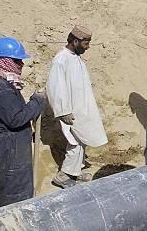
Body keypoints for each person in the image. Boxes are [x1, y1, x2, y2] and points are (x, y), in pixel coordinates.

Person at [46, 26, 108, 189]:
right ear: (75, 41)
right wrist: (63, 110)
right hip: (70, 111)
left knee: (81, 140)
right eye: (86, 43)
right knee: (75, 141)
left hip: (81, 109)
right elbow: (55, 87)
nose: (88, 47)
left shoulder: (74, 57)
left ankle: (75, 170)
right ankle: (64, 176)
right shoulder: (61, 59)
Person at [0, 37, 45, 206]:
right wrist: (37, 101)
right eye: (17, 61)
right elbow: (16, 119)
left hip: (7, 149)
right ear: (3, 61)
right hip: (11, 155)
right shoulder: (1, 88)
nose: (21, 65)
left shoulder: (2, 84)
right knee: (16, 198)